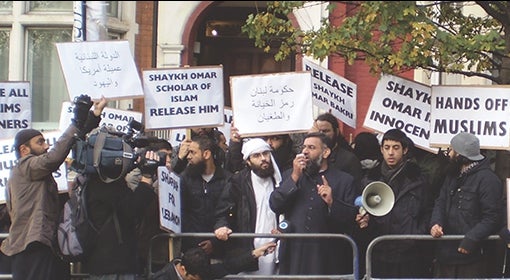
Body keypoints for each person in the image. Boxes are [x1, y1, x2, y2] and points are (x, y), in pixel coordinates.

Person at [1, 94, 106, 280]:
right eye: (40, 142)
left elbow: (68, 144)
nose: (46, 146)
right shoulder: (26, 166)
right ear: (23, 150)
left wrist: (92, 116)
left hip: (40, 245)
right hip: (32, 246)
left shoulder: (31, 171)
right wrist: (76, 120)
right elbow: (55, 156)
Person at [269, 132, 357, 275]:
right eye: (304, 147)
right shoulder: (290, 175)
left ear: (326, 152)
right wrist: (294, 177)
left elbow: (349, 221)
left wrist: (331, 202)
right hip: (294, 252)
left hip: (326, 255)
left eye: (311, 147)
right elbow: (275, 204)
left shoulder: (344, 180)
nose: (305, 151)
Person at [355, 128, 434, 278]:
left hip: (409, 253)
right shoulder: (369, 180)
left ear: (405, 150)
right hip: (379, 249)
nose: (391, 153)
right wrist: (363, 222)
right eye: (387, 148)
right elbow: (363, 210)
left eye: (396, 148)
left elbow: (427, 211)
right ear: (381, 150)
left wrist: (416, 236)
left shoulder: (419, 180)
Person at [429, 132, 503, 278]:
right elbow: (441, 202)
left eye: (451, 150)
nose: (449, 154)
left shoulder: (488, 180)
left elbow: (492, 217)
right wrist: (435, 223)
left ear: (460, 155)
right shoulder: (452, 175)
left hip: (471, 257)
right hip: (445, 254)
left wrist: (472, 238)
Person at [214, 138, 282, 276]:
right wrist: (221, 226)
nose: (263, 159)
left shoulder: (279, 180)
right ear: (248, 161)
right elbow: (224, 209)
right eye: (256, 156)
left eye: (266, 153)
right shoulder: (238, 182)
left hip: (274, 246)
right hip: (248, 248)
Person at [125, 138, 174, 276]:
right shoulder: (136, 180)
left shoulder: (173, 179)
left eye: (171, 156)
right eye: (164, 156)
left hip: (162, 248)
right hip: (143, 246)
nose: (168, 160)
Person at [180, 135, 232, 261]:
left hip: (219, 251)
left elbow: (226, 214)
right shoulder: (185, 178)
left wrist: (214, 243)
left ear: (206, 154)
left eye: (192, 152)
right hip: (190, 249)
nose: (188, 157)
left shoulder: (227, 179)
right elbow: (182, 212)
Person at [312, 112, 362, 192]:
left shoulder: (349, 159)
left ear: (337, 132)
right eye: (318, 132)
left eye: (325, 131)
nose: (321, 135)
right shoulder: (310, 157)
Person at [225, 122, 296, 173]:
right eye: (265, 138)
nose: (269, 143)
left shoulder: (293, 166)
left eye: (275, 138)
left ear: (285, 141)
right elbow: (236, 168)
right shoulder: (252, 167)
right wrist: (235, 143)